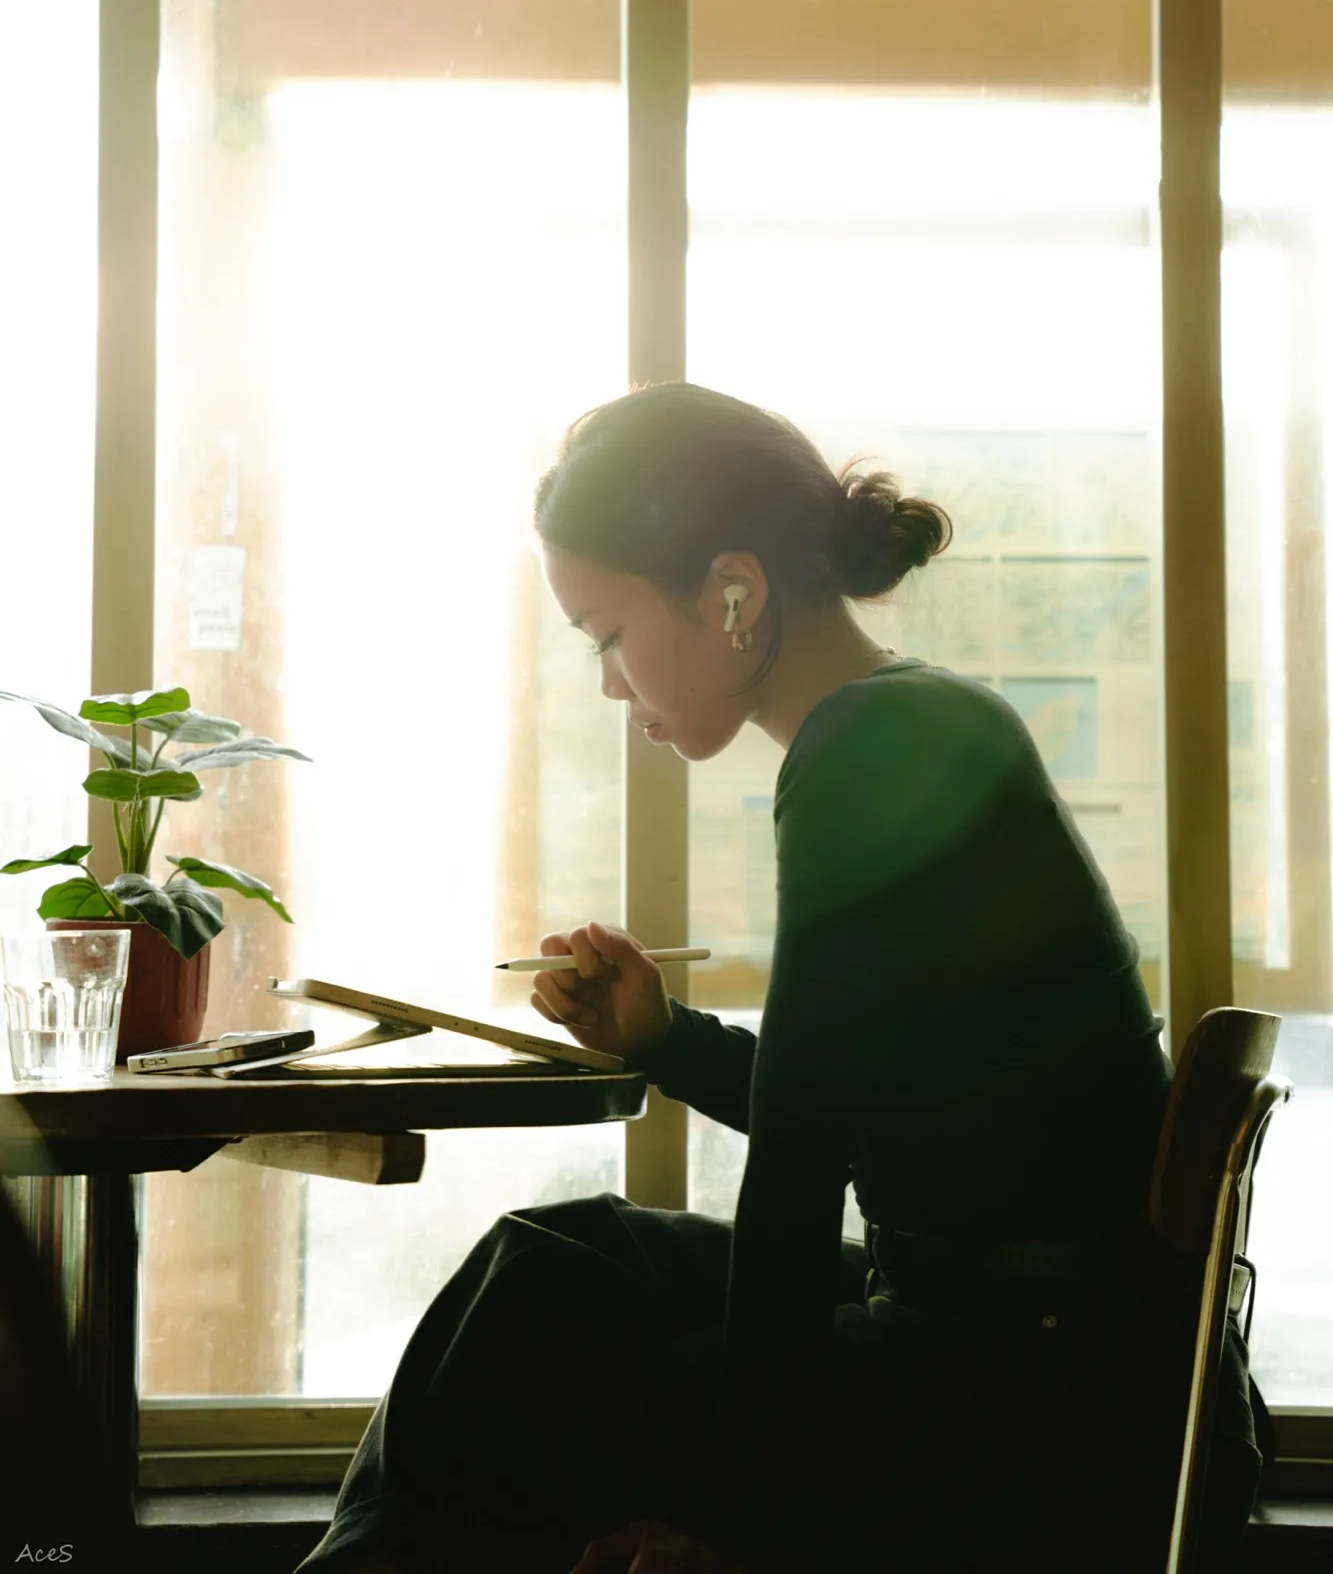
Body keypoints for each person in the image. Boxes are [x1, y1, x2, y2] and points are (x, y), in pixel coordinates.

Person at [298, 381, 1268, 1574]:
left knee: (545, 1359)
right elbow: (869, 1100)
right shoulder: (915, 718)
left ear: (734, 591)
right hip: (1055, 1346)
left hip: (1032, 1392)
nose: (607, 681)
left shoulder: (867, 748)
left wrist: (744, 1526)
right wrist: (664, 1037)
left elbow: (802, 1170)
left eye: (604, 631)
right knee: (555, 1255)